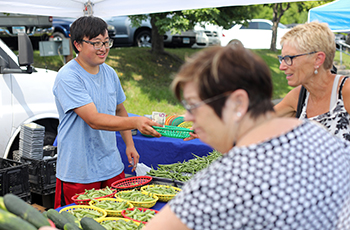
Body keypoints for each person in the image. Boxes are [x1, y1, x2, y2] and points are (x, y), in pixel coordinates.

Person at [144, 44, 350, 229]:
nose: (188, 116)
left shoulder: (226, 181)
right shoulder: (317, 133)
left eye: (193, 105)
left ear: (238, 103)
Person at [52, 16, 161, 209]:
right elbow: (93, 120)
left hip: (111, 166)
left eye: (106, 42)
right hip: (79, 171)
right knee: (79, 220)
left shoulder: (109, 73)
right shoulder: (68, 76)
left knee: (116, 215)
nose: (103, 48)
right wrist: (136, 123)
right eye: (96, 43)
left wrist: (130, 144)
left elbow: (120, 109)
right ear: (77, 44)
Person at [274, 21, 350, 141]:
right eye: (282, 59)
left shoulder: (345, 91)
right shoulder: (299, 96)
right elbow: (257, 123)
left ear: (318, 60)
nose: (282, 66)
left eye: (289, 58)